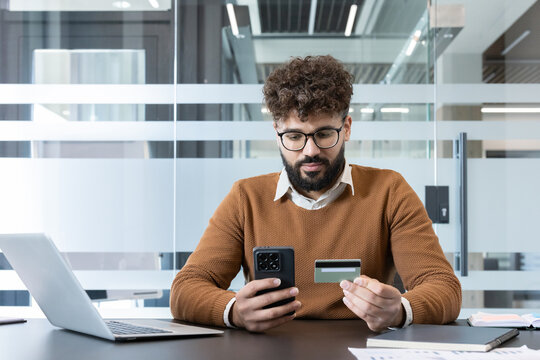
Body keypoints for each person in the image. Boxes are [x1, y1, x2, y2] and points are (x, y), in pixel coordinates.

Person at [170, 55, 461, 333]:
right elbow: (186, 288)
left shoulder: (390, 191)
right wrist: (233, 310)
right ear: (277, 133)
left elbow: (442, 286)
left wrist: (400, 311)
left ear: (346, 128)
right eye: (295, 136)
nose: (310, 151)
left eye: (323, 134)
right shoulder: (245, 198)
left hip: (363, 349)